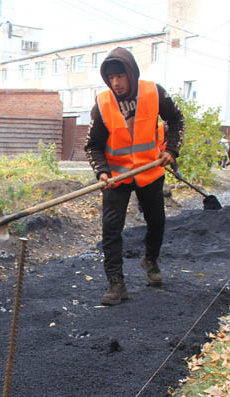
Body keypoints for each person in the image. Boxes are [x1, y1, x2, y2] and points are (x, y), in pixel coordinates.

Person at [85, 47, 184, 305]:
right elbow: (93, 144)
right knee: (111, 229)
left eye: (120, 76)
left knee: (156, 221)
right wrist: (102, 172)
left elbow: (176, 120)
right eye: (111, 78)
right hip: (116, 175)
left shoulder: (154, 92)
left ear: (131, 73)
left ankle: (150, 260)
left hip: (149, 169)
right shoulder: (102, 103)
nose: (116, 83)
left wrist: (171, 150)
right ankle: (116, 283)